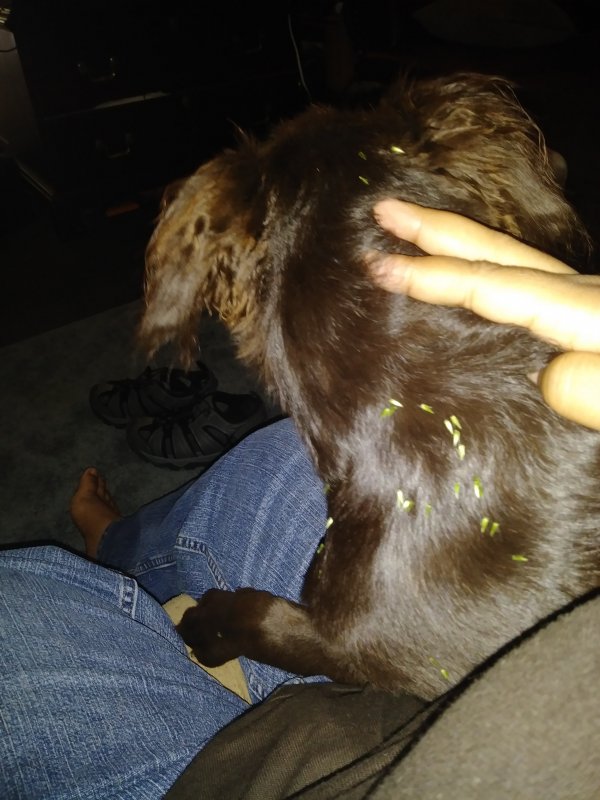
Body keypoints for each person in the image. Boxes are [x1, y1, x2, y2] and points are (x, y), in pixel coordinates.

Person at [1, 203, 599, 800]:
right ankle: (122, 546)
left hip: (332, 763)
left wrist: (298, 635)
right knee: (296, 454)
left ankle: (114, 549)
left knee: (15, 604)